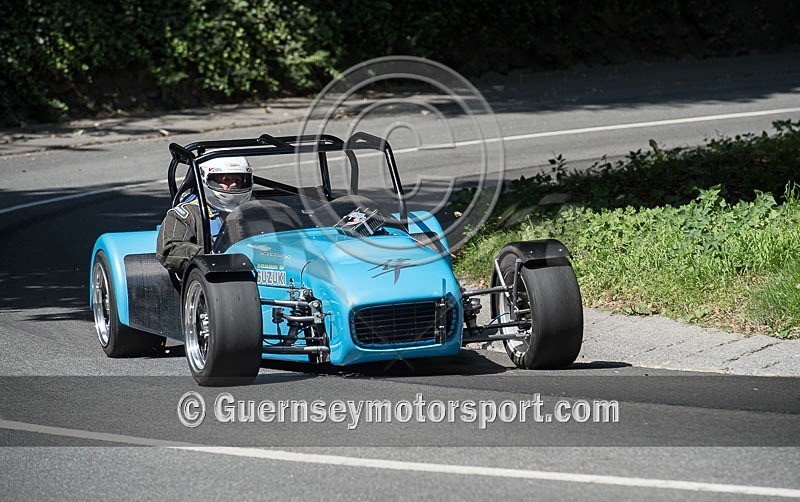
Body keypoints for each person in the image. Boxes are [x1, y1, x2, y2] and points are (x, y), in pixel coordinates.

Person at [156, 156, 253, 276]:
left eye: (237, 180)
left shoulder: (252, 210)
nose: (233, 184)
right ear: (206, 180)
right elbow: (169, 250)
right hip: (211, 279)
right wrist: (210, 256)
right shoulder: (186, 214)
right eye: (226, 180)